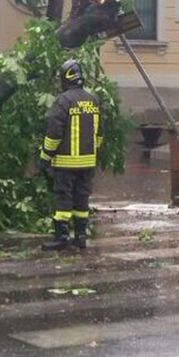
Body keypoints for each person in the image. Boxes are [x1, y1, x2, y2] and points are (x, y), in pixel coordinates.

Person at [40, 59, 102, 251]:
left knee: (63, 199)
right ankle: (81, 236)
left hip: (66, 163)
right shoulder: (93, 100)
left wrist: (46, 156)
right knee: (82, 198)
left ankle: (61, 237)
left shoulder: (63, 101)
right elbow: (100, 133)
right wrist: (92, 152)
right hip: (88, 162)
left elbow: (54, 133)